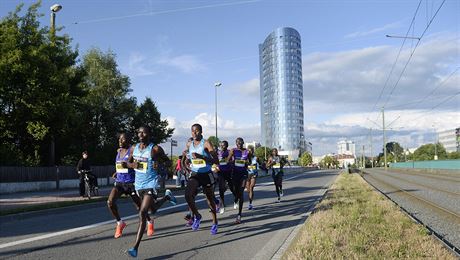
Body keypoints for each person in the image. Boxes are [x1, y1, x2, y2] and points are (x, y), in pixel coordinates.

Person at [126, 126, 177, 258]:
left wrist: (159, 165)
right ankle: (167, 197)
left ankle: (135, 247)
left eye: (143, 132)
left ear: (149, 134)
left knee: (142, 212)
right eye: (139, 132)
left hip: (151, 183)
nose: (140, 134)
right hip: (139, 185)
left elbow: (167, 161)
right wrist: (133, 165)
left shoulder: (155, 149)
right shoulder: (133, 148)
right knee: (152, 210)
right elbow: (127, 163)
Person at [107, 132, 154, 239]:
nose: (119, 141)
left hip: (132, 183)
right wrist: (117, 172)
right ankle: (120, 223)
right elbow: (120, 165)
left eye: (122, 139)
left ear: (128, 140)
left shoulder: (133, 150)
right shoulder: (118, 151)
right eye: (119, 139)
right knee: (110, 202)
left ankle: (149, 221)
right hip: (119, 182)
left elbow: (139, 165)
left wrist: (130, 166)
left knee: (139, 207)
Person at [182, 124, 219, 235]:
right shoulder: (189, 144)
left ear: (201, 132)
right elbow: (188, 158)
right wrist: (187, 163)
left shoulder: (206, 143)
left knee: (209, 200)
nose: (194, 133)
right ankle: (197, 216)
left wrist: (201, 156)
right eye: (193, 131)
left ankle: (215, 222)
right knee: (188, 195)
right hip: (195, 174)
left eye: (197, 131)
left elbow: (215, 160)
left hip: (206, 174)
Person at [227, 137, 250, 224]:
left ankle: (239, 215)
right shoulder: (233, 150)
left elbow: (250, 161)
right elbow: (227, 160)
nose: (239, 144)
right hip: (235, 174)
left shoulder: (247, 151)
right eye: (237, 142)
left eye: (240, 142)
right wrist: (231, 160)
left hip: (243, 174)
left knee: (241, 193)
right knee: (235, 191)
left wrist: (247, 162)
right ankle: (235, 198)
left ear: (243, 142)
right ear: (236, 143)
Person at [216, 140, 235, 214]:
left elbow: (233, 161)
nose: (222, 146)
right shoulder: (218, 153)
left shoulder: (229, 152)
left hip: (228, 172)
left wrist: (228, 161)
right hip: (220, 172)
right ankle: (223, 206)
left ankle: (236, 199)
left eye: (223, 145)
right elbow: (216, 161)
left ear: (227, 146)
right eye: (221, 145)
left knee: (231, 188)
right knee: (221, 189)